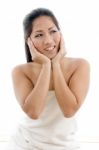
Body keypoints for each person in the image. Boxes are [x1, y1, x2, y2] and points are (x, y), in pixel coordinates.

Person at [7, 8, 90, 150]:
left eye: (53, 31)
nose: (48, 40)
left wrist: (55, 64)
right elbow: (33, 112)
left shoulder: (79, 65)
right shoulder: (20, 71)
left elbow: (69, 110)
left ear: (60, 33)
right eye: (39, 35)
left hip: (66, 145)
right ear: (29, 41)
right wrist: (46, 65)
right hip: (26, 143)